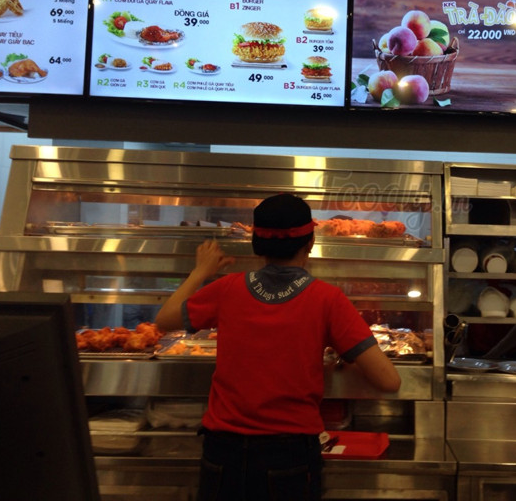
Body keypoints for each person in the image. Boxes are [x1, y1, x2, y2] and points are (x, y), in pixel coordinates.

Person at [155, 193, 401, 500]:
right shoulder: (328, 300)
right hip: (289, 454)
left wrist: (200, 272)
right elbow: (389, 381)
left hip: (223, 451)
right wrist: (339, 361)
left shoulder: (227, 288)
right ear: (310, 243)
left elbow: (164, 320)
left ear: (256, 245)